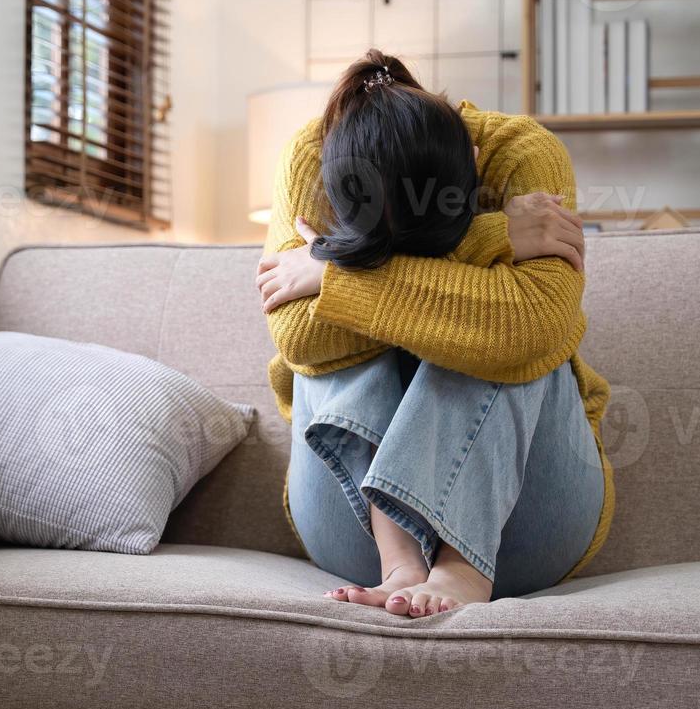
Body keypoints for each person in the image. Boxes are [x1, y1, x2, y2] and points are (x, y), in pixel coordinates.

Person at [255, 49, 613, 617]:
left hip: (529, 525)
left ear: (474, 164)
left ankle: (461, 569)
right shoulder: (315, 153)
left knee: (499, 328)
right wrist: (490, 241)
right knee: (343, 326)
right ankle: (402, 560)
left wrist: (336, 272)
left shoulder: (521, 154)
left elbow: (532, 325)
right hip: (354, 533)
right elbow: (297, 335)